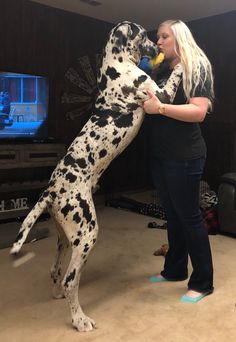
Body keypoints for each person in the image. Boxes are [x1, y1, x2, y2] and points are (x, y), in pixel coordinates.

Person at [143, 19, 214, 303]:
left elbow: (198, 112)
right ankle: (174, 270)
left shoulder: (197, 67)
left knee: (189, 218)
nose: (158, 42)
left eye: (163, 37)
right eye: (158, 37)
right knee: (172, 216)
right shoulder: (163, 71)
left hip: (185, 155)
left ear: (179, 38)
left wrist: (159, 108)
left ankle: (203, 282)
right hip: (161, 154)